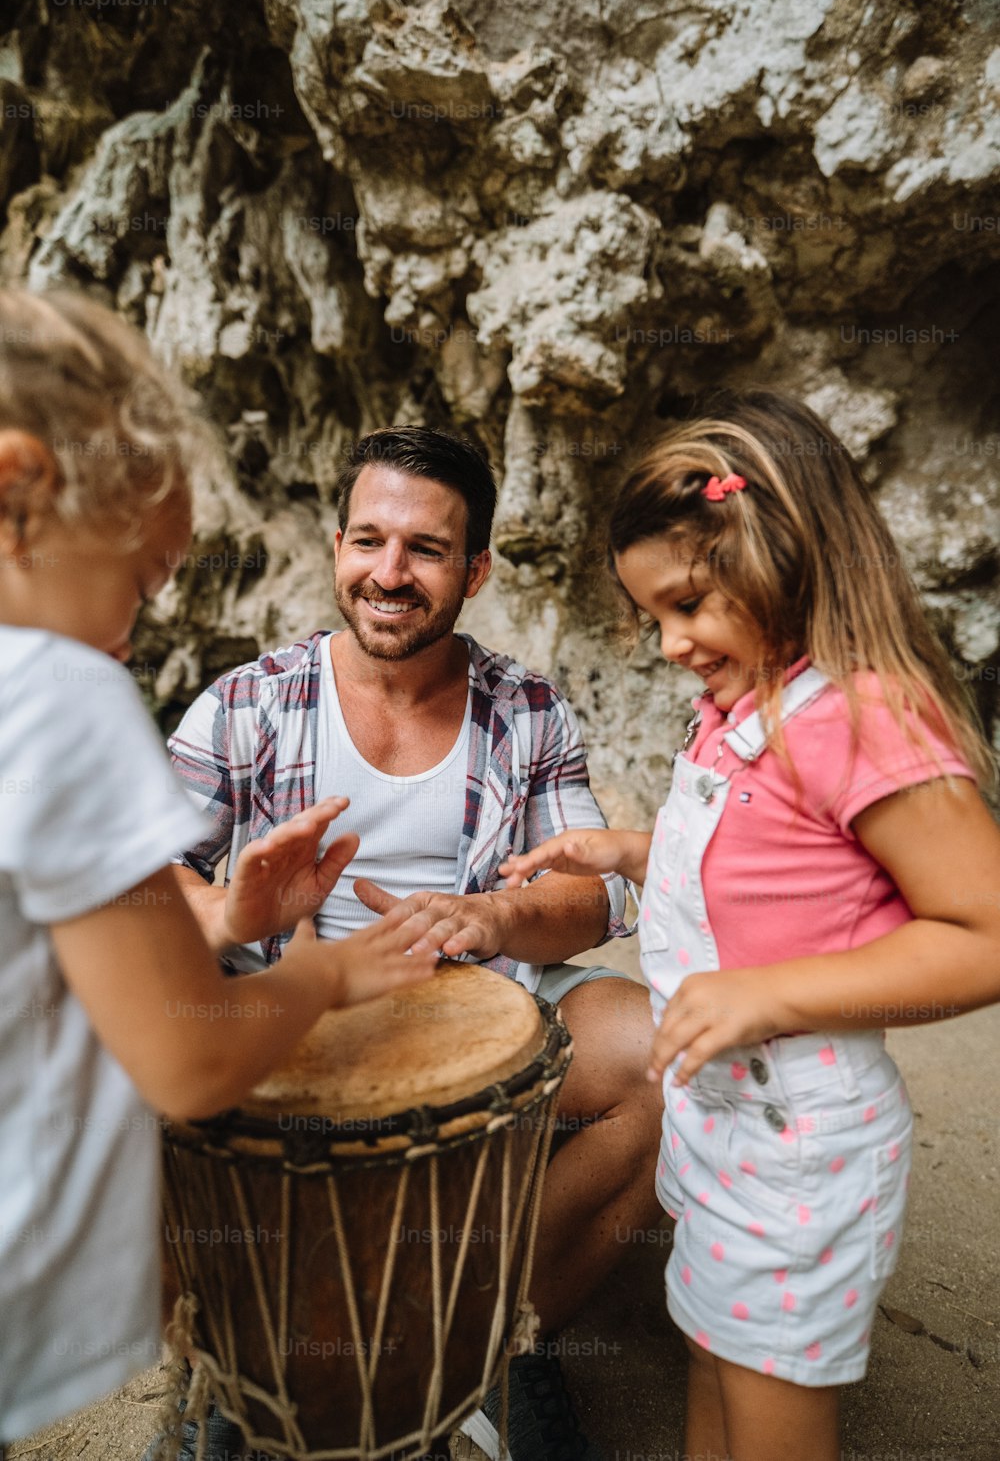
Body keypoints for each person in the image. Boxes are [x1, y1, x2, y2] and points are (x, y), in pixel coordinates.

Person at [500, 390, 1000, 1461]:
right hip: (724, 1125)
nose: (671, 642)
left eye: (687, 605)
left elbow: (982, 932)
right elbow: (780, 866)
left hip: (801, 1143)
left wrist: (766, 993)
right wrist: (633, 850)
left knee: (774, 1403)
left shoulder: (861, 718)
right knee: (720, 1357)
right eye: (653, 619)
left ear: (779, 552)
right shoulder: (741, 711)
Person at [161, 426, 666, 1461]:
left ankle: (496, 1335)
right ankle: (236, 1340)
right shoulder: (248, 702)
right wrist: (232, 915)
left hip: (484, 1010)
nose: (389, 574)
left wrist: (492, 916)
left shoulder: (525, 710)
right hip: (286, 1005)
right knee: (122, 1016)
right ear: (337, 546)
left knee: (668, 1057)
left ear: (474, 568)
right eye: (368, 540)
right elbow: (133, 879)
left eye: (426, 550)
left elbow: (590, 897)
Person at [0, 289, 438, 1452]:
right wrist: (325, 978)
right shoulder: (57, 693)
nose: (134, 636)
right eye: (141, 581)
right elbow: (188, 1060)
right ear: (17, 493)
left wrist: (227, 912)